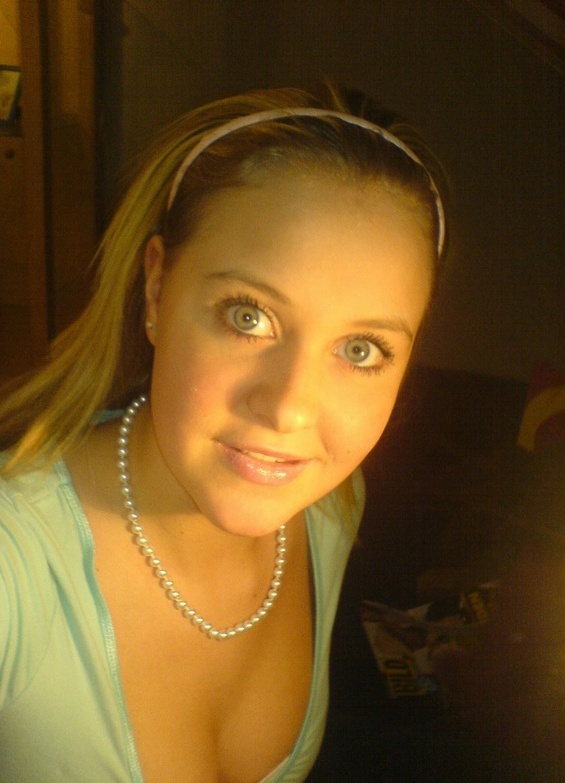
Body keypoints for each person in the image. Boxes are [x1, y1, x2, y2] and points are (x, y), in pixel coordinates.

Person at [0, 84, 447, 783]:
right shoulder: (13, 568)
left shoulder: (328, 510)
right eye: (248, 316)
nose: (288, 410)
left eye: (360, 350)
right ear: (156, 290)